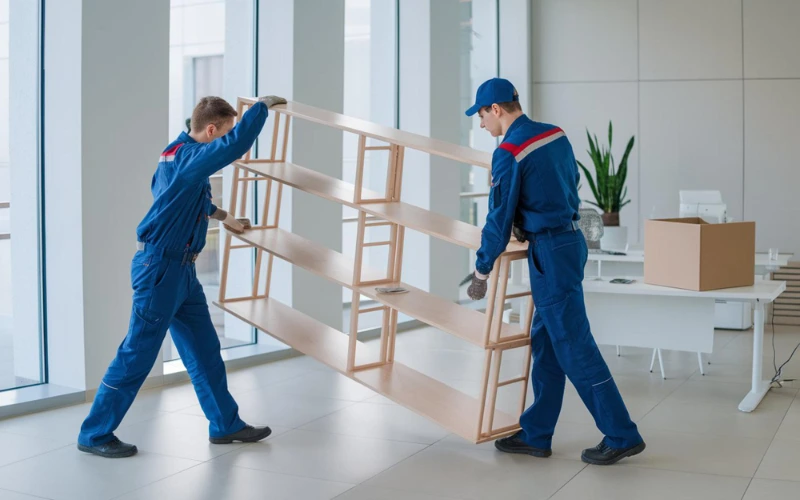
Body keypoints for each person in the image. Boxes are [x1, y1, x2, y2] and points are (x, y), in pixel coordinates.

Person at [77, 95, 287, 458]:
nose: (227, 135)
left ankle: (225, 424)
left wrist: (225, 218)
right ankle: (94, 434)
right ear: (211, 129)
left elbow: (188, 200)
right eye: (224, 130)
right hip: (160, 270)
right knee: (137, 354)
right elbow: (233, 147)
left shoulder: (173, 154)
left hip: (181, 272)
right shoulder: (190, 158)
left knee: (205, 351)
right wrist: (261, 109)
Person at [462, 78, 645, 465]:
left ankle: (621, 433)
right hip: (570, 241)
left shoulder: (508, 151)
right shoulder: (554, 134)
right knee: (546, 343)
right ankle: (536, 433)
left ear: (495, 109)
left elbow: (498, 217)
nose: (481, 124)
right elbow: (567, 184)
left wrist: (481, 270)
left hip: (548, 250)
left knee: (574, 344)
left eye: (481, 115)